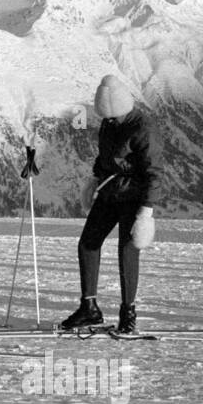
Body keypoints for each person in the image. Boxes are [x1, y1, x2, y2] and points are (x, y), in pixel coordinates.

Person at [60, 74, 161, 335]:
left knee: (127, 253)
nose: (110, 121)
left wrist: (146, 212)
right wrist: (94, 179)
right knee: (87, 244)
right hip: (109, 193)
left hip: (133, 197)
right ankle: (89, 307)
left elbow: (154, 172)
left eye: (113, 117)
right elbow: (104, 156)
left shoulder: (142, 128)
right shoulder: (108, 123)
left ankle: (128, 312)